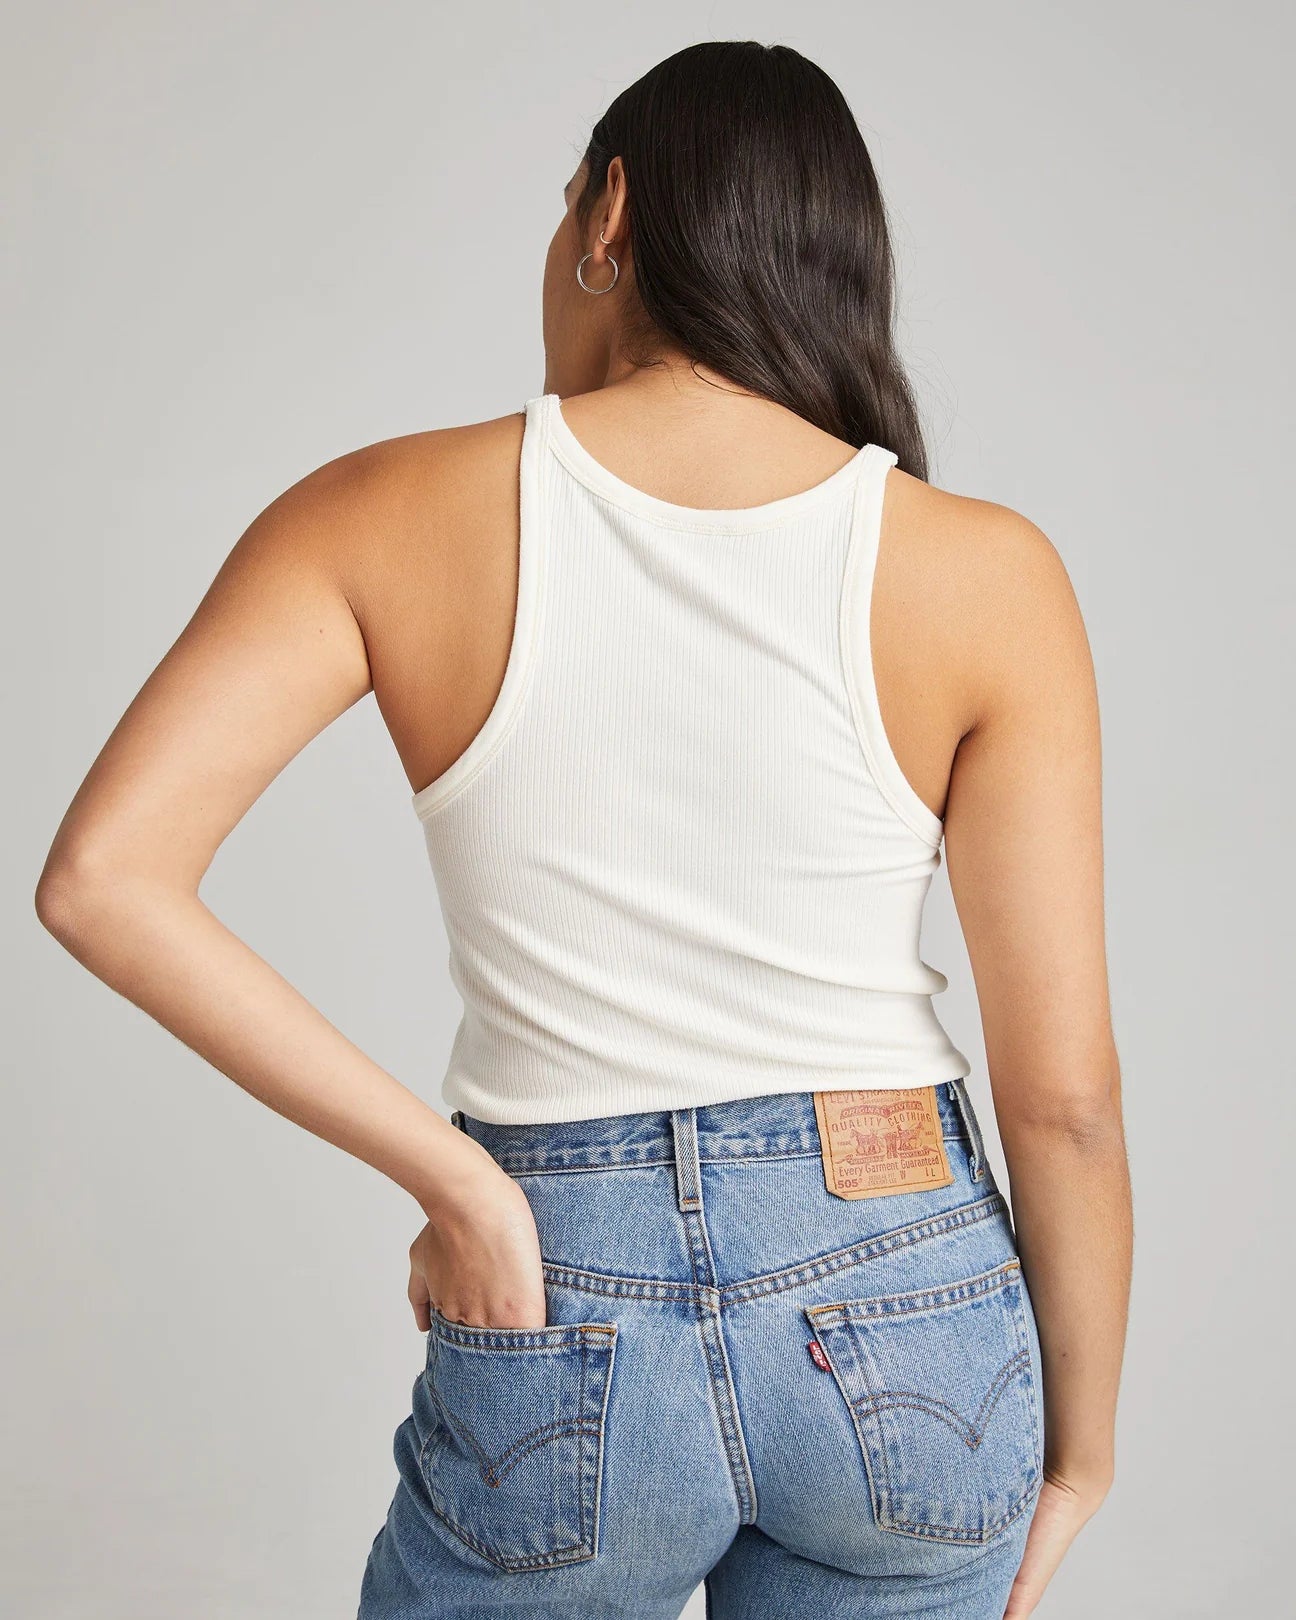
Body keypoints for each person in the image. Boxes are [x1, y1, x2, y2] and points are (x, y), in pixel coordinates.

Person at [35, 38, 1132, 1620]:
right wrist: (1079, 1454)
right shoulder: (986, 571)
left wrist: (462, 1187)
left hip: (559, 1284)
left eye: (565, 216)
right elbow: (1068, 1103)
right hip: (905, 1287)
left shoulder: (384, 512)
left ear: (609, 213)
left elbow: (101, 880)